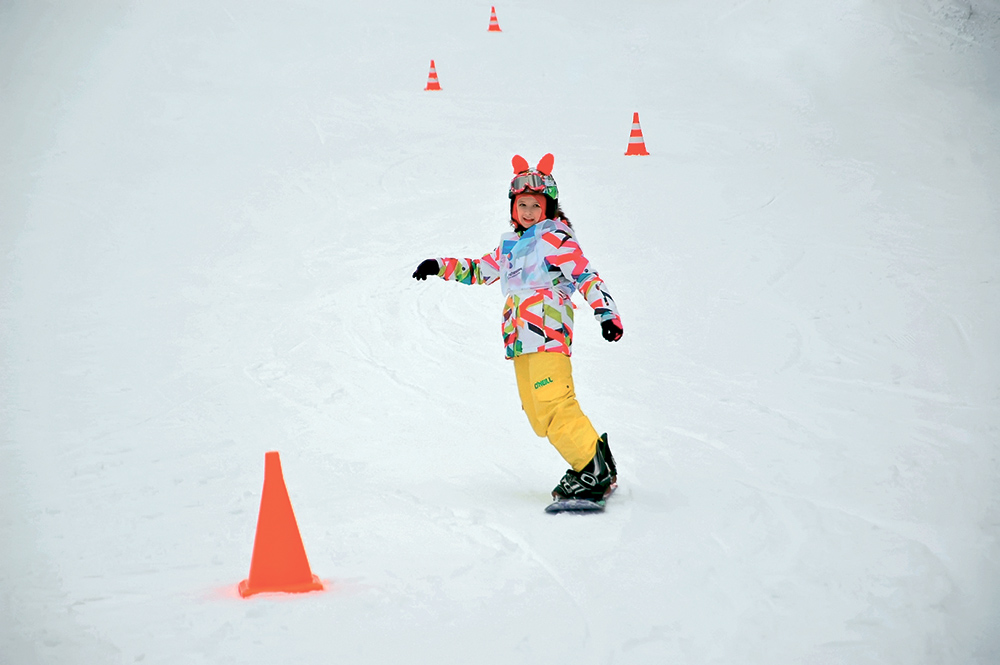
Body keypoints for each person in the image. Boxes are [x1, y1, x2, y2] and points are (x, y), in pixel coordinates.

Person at [412, 153, 624, 503]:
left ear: (548, 208)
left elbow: (585, 274)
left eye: (535, 205)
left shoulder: (555, 238)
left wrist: (606, 312)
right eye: (521, 204)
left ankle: (592, 468)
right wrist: (439, 265)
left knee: (554, 402)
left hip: (547, 332)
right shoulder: (512, 246)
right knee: (538, 413)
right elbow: (481, 269)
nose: (527, 212)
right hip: (521, 339)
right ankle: (591, 463)